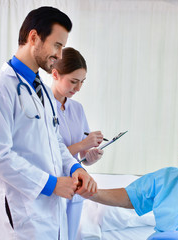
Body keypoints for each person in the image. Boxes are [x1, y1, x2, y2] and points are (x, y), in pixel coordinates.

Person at [0, 7, 97, 239]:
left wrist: (75, 168)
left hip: (50, 214)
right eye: (57, 45)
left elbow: (55, 141)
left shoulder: (41, 91)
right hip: (22, 217)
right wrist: (51, 184)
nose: (60, 55)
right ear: (34, 37)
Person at [51, 47, 105, 239]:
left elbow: (82, 159)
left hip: (75, 187)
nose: (78, 88)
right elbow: (49, 152)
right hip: (54, 186)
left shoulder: (77, 109)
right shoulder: (44, 107)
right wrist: (83, 144)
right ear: (55, 74)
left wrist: (91, 156)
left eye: (82, 82)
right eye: (73, 81)